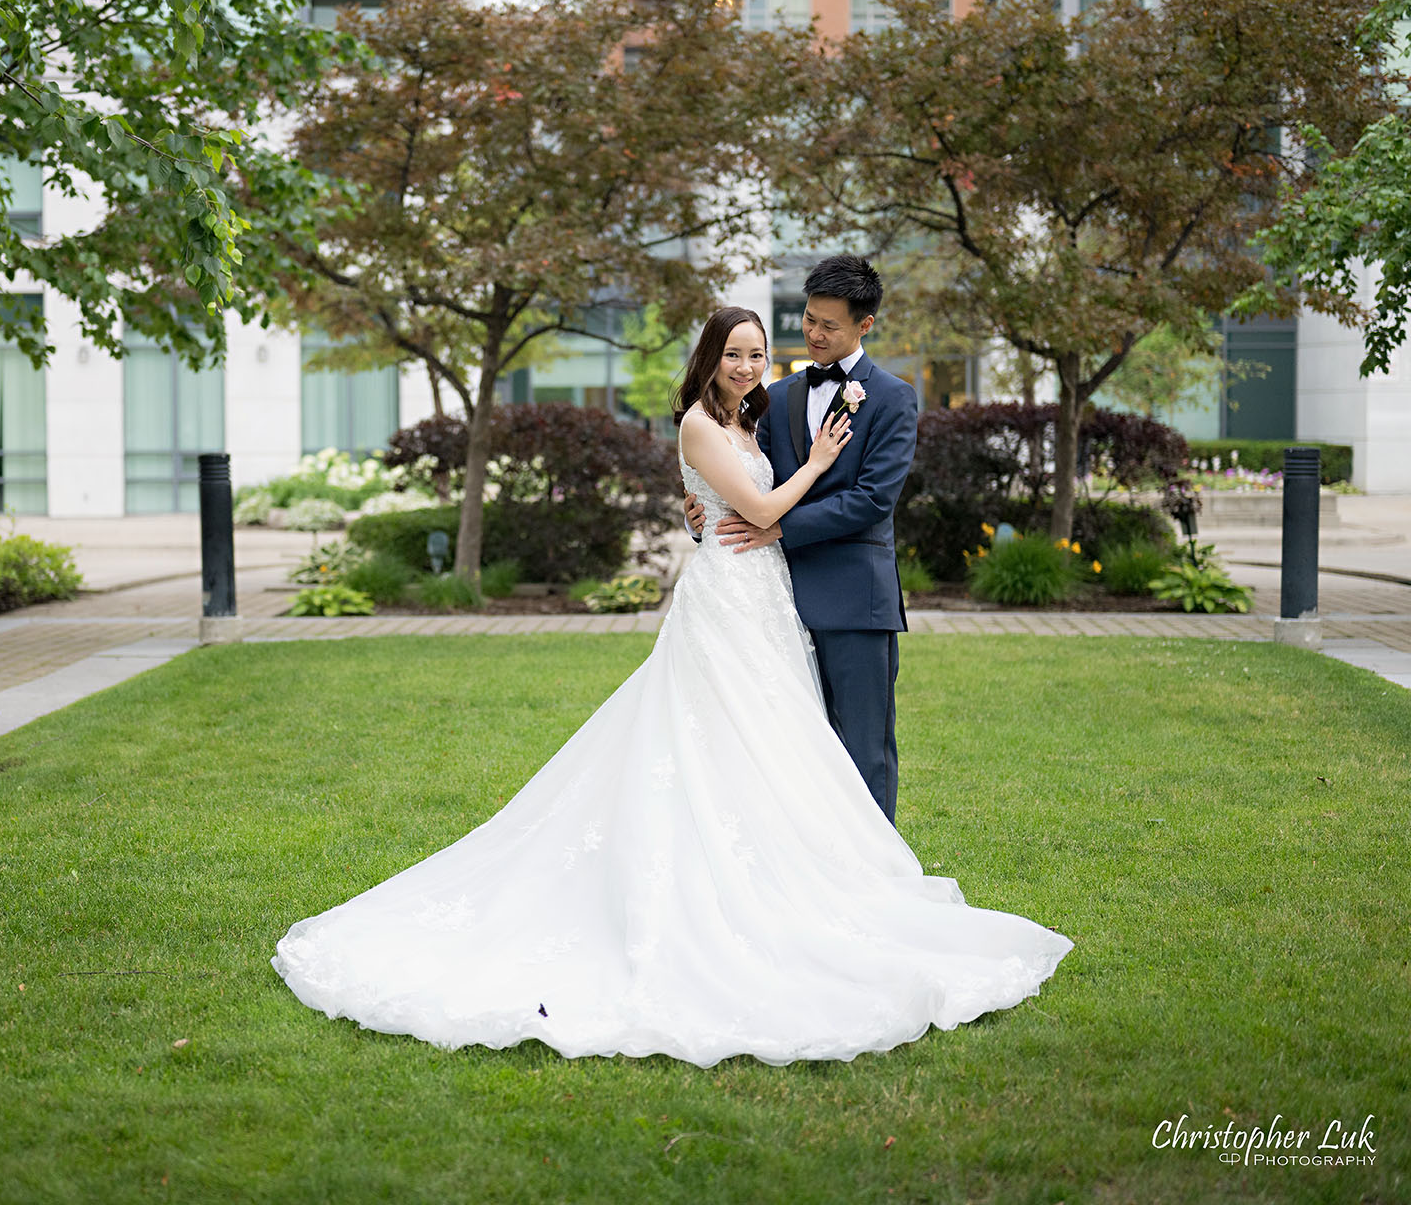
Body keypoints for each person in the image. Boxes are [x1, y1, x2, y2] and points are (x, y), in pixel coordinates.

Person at [270, 304, 1072, 1068]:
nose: (749, 365)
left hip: (766, 598)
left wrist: (717, 507)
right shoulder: (699, 420)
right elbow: (755, 503)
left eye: (759, 354)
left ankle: (807, 872)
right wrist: (814, 467)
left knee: (775, 736)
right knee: (714, 730)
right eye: (734, 354)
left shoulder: (752, 416)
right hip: (728, 593)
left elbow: (732, 497)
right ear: (709, 358)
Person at [687, 255, 913, 823]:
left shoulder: (893, 398)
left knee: (864, 748)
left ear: (864, 325)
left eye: (829, 325)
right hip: (772, 605)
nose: (814, 333)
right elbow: (740, 478)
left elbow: (872, 500)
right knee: (789, 750)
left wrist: (777, 526)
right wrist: (700, 520)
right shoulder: (776, 396)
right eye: (809, 319)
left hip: (854, 601)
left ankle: (877, 872)